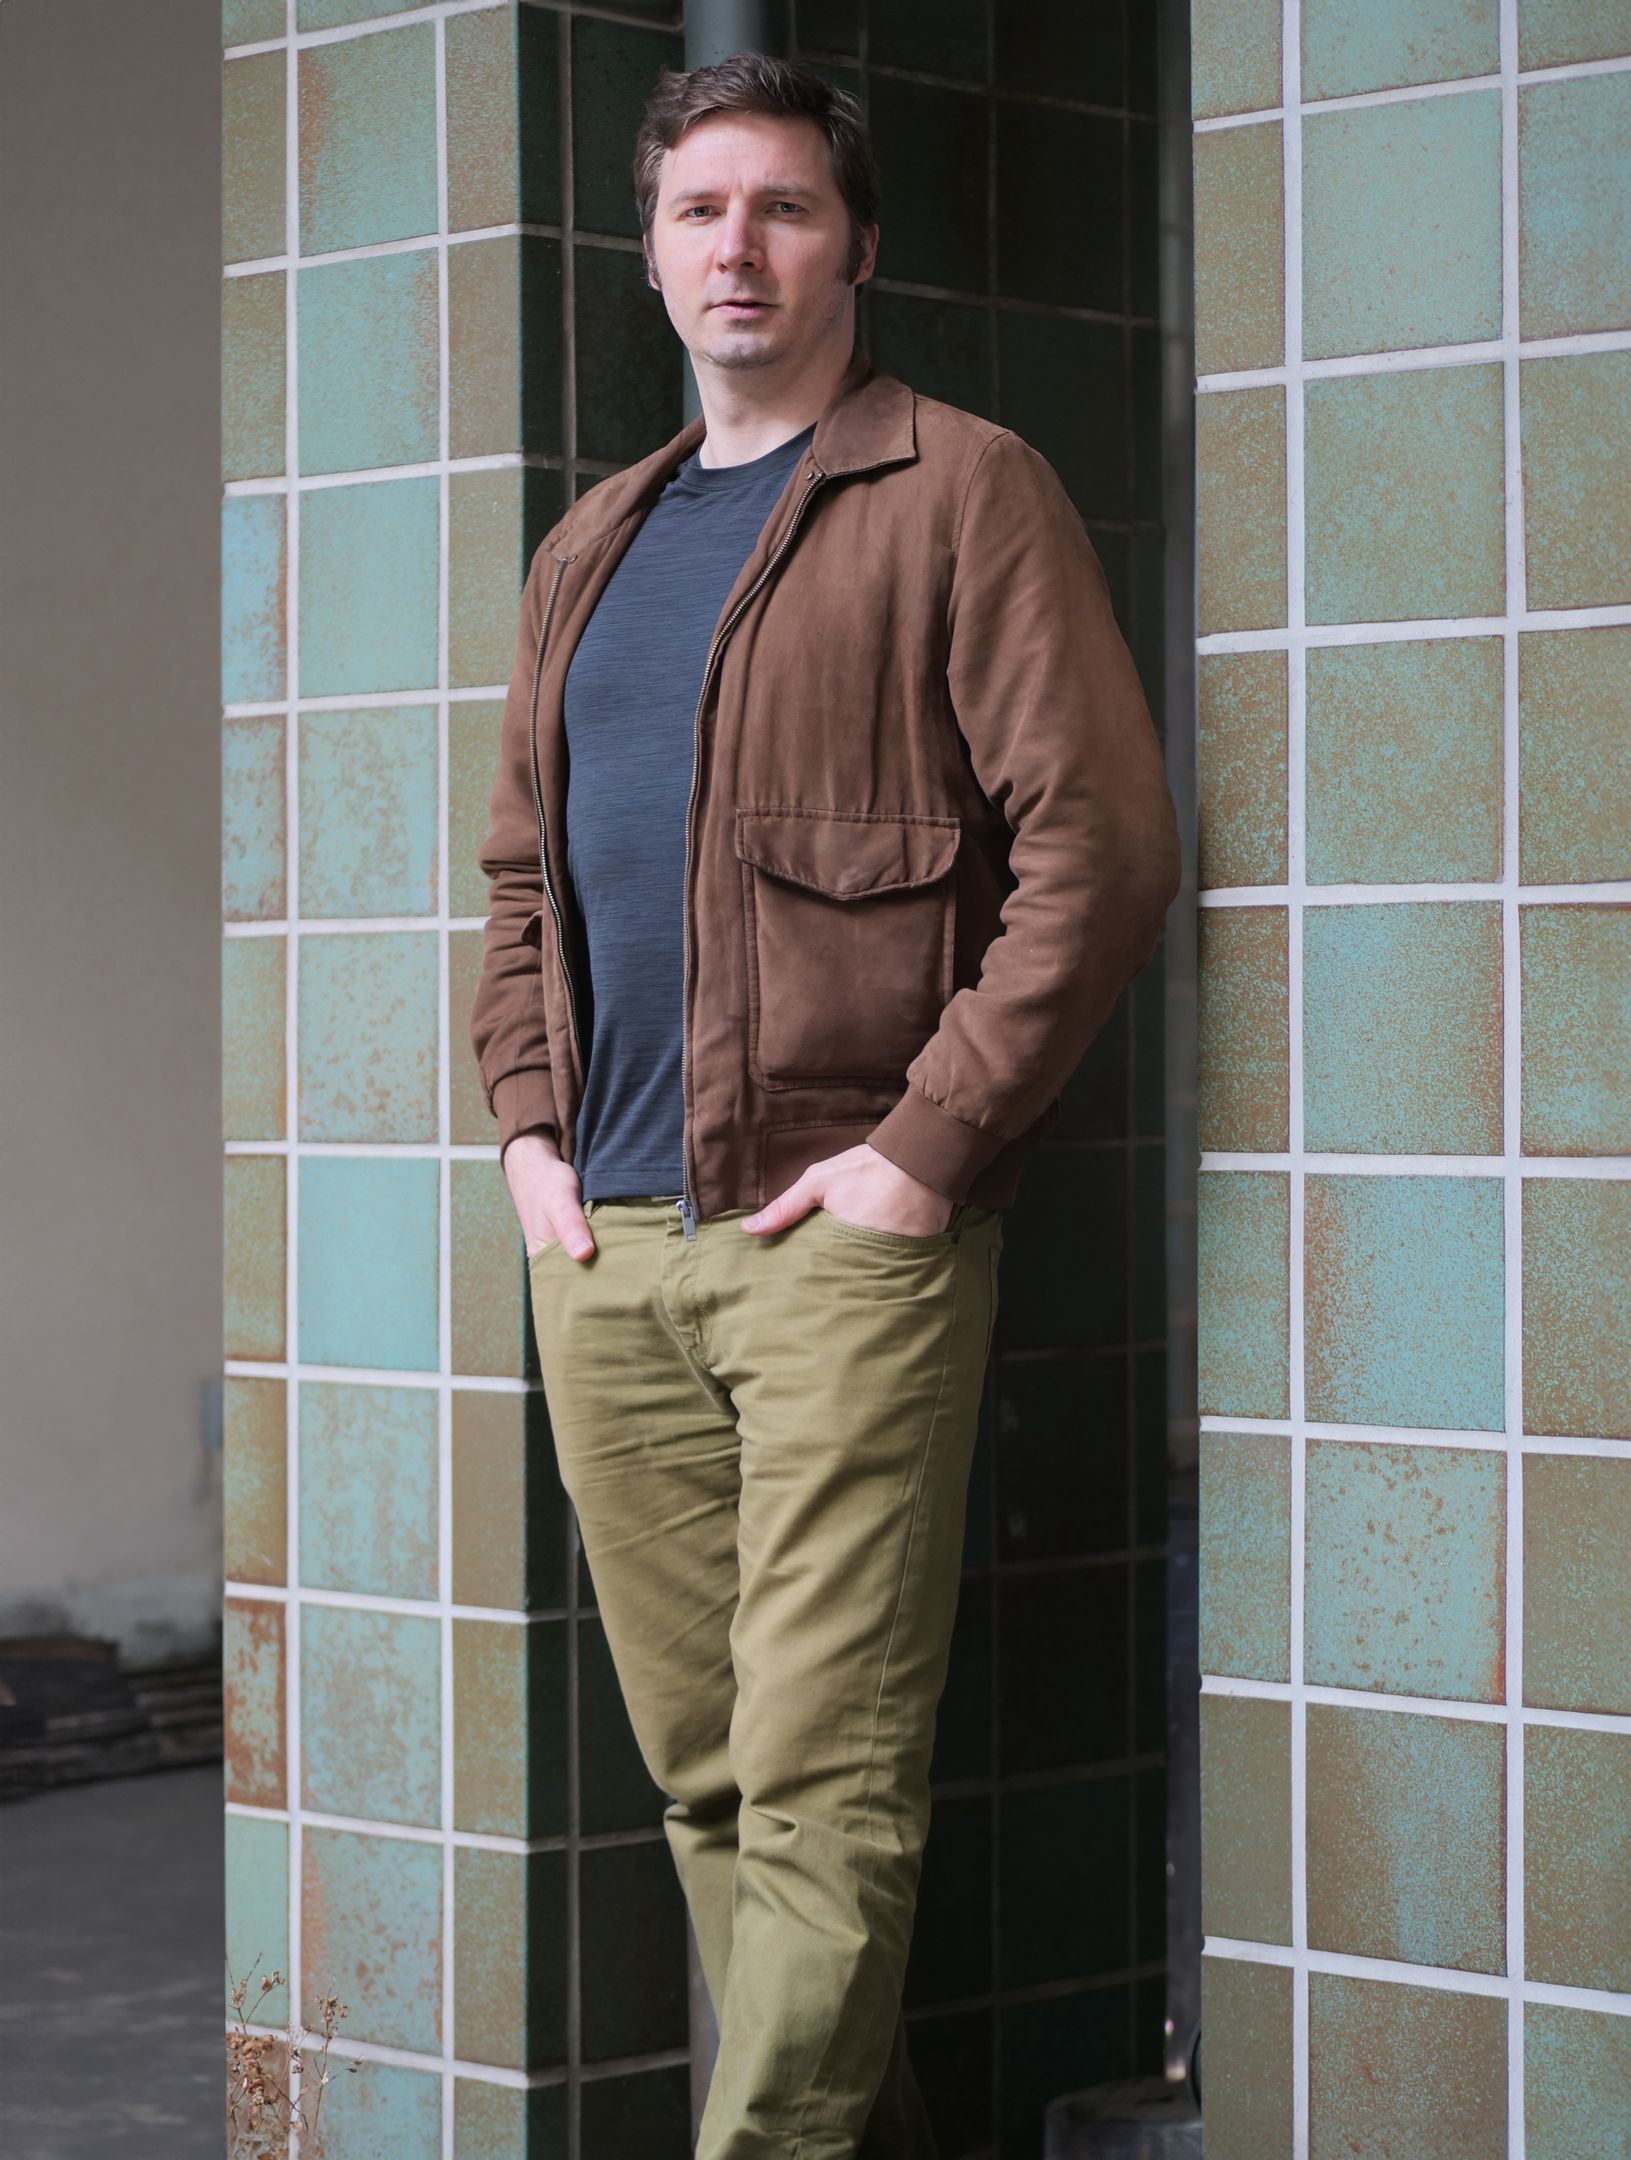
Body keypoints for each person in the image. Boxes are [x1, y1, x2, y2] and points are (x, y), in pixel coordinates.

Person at [469, 50, 1180, 2160]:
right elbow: (519, 883)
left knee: (820, 1779)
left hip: (837, 1248)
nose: (739, 248)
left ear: (858, 245)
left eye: (783, 207)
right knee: (705, 1778)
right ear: (650, 253)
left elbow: (1102, 851)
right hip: (606, 1251)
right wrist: (525, 1137)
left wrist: (921, 1155)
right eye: (699, 210)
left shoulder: (964, 490)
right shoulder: (591, 545)